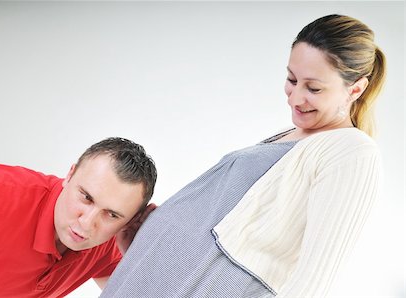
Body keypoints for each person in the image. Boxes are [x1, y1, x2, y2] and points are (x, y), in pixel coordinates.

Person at [100, 14, 386, 298]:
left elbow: (313, 283)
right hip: (148, 277)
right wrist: (152, 249)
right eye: (291, 79)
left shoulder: (353, 152)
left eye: (313, 88)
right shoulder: (293, 136)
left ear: (356, 88)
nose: (295, 97)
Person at [0, 137, 157, 297]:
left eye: (112, 214)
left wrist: (135, 257)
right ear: (70, 175)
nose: (86, 223)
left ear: (129, 221)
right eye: (86, 197)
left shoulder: (107, 243)